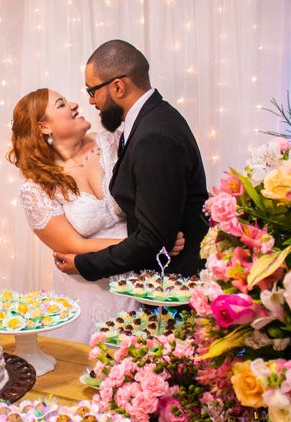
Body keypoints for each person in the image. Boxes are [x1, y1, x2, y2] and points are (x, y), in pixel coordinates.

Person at [9, 89, 184, 343]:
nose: (74, 104)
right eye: (61, 104)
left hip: (141, 278)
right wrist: (154, 242)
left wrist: (156, 235)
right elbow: (74, 247)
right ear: (44, 126)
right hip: (91, 289)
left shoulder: (114, 142)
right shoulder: (37, 188)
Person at [53, 40, 208, 280]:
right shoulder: (150, 121)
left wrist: (85, 264)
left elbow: (153, 239)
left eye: (92, 91)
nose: (91, 101)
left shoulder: (153, 135)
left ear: (118, 87)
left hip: (174, 285)